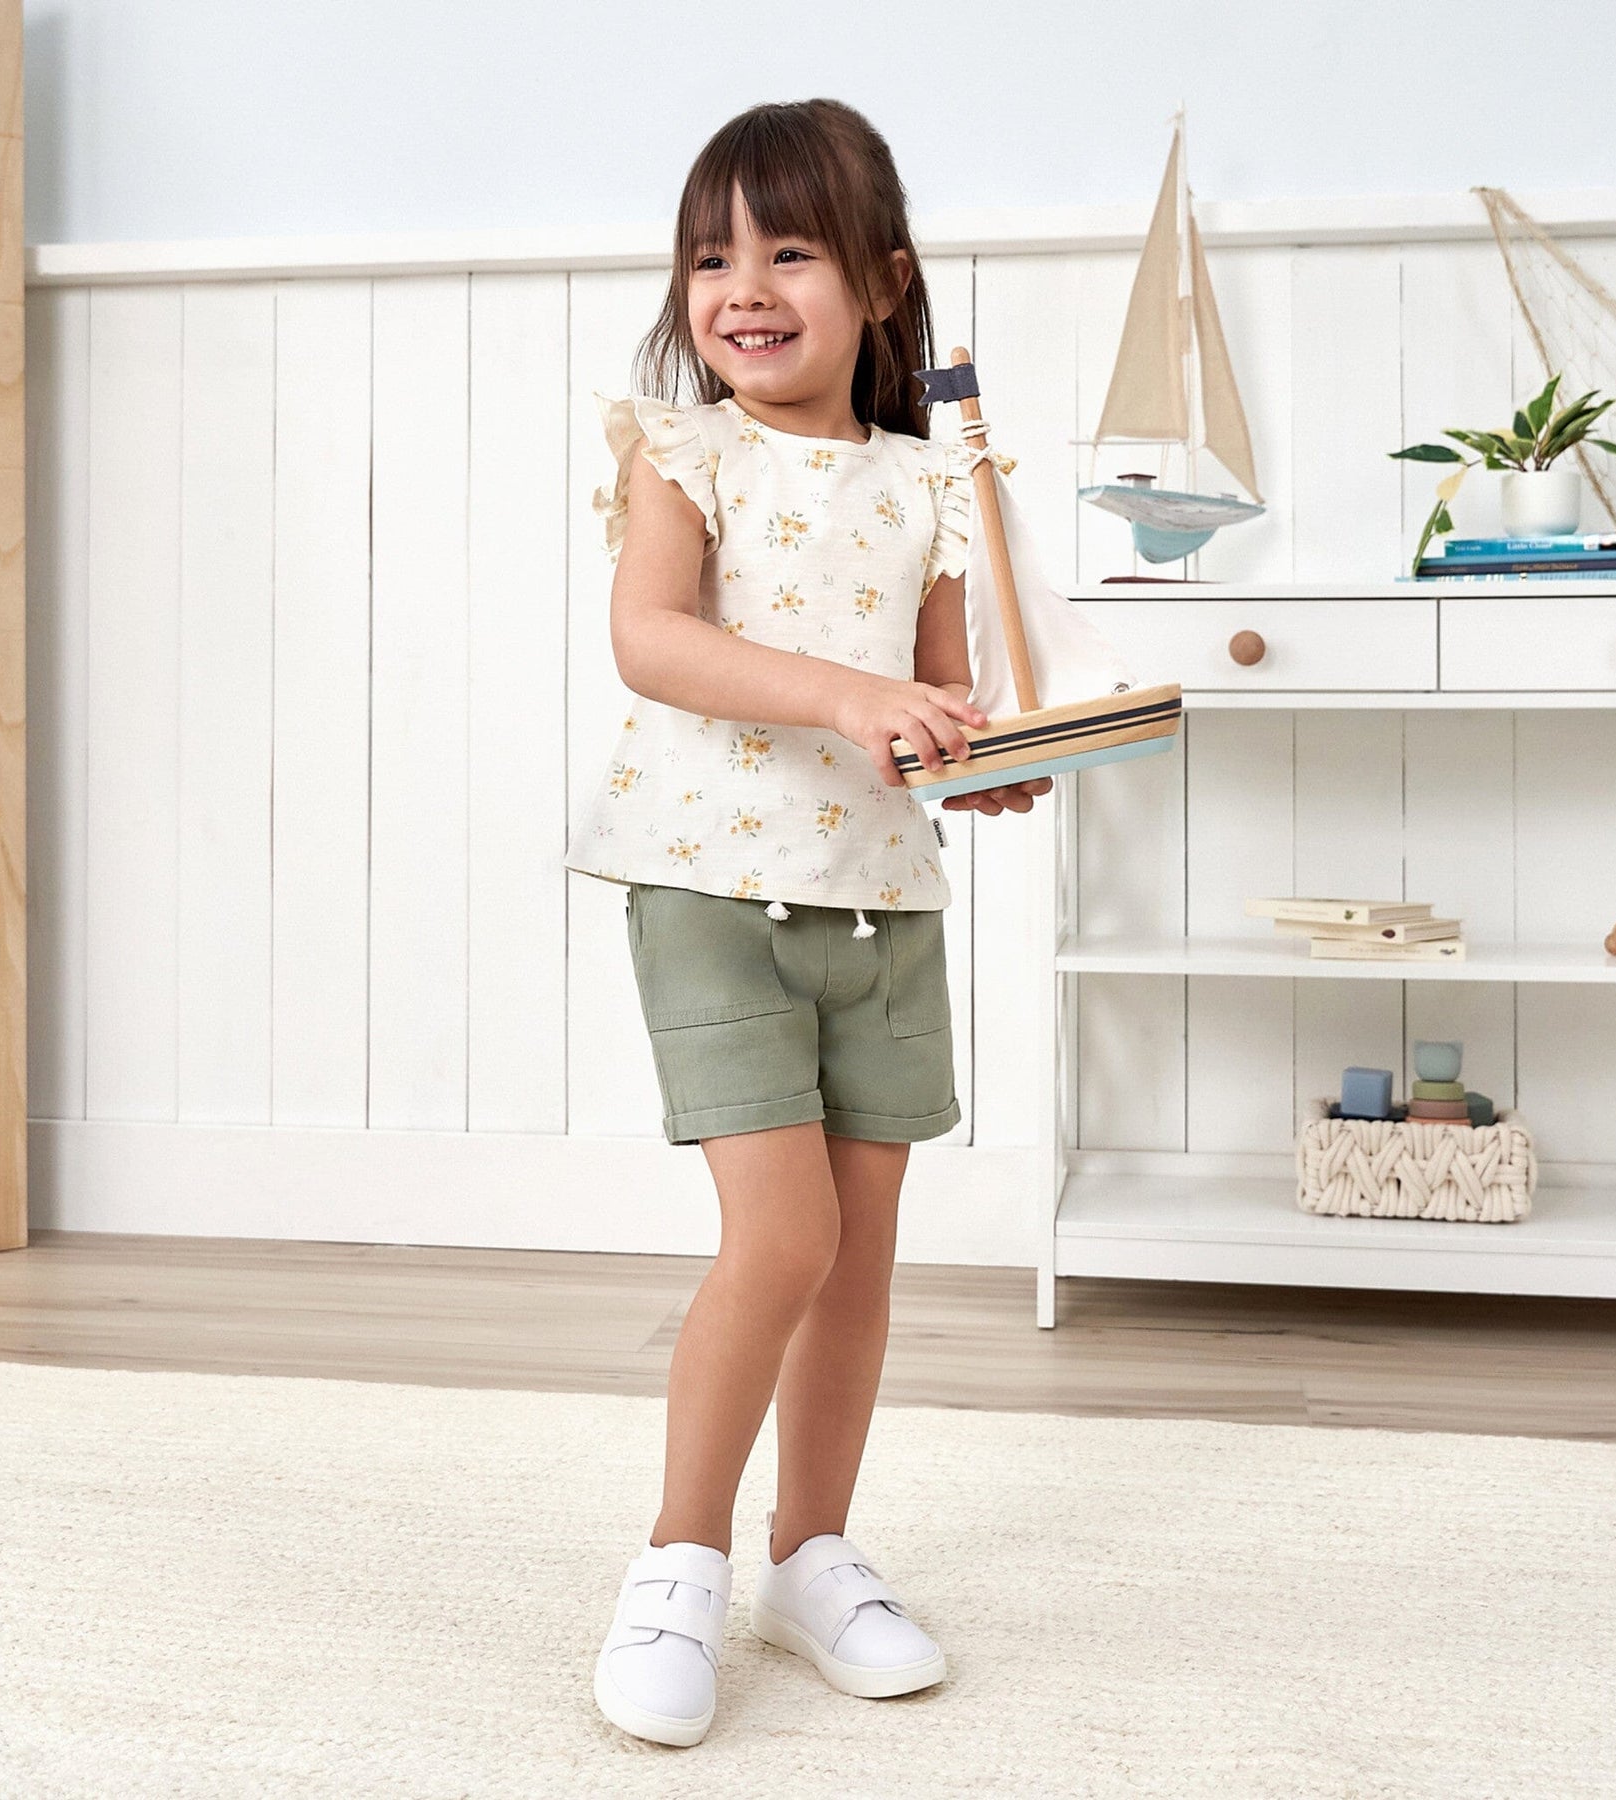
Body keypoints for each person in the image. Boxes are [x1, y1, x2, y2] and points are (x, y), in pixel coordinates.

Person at [565, 97, 1051, 1748]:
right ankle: (677, 1562)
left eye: (789, 251)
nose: (744, 289)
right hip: (711, 890)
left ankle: (810, 1553)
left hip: (882, 910)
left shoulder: (935, 483)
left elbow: (938, 697)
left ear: (884, 282)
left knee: (856, 1260)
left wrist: (980, 762)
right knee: (780, 1241)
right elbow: (653, 640)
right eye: (712, 258)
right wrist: (849, 696)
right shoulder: (684, 452)